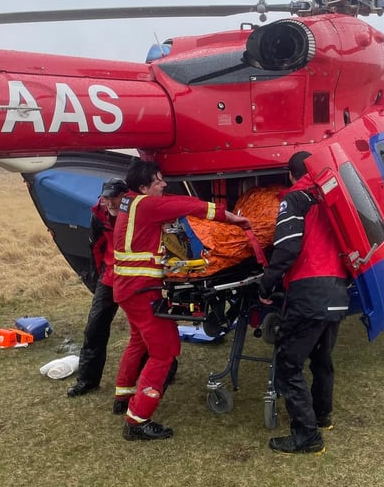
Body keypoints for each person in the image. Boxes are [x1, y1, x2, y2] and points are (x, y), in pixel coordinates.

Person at [113, 159, 250, 441]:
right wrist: (231, 217)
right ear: (143, 187)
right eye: (158, 181)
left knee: (138, 340)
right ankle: (137, 420)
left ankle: (123, 395)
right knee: (163, 352)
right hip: (140, 290)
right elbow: (189, 206)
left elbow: (173, 200)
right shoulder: (148, 206)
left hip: (126, 287)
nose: (163, 184)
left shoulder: (130, 202)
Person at [258, 151, 349, 455]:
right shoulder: (332, 199)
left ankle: (306, 436)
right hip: (338, 291)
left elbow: (287, 247)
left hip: (309, 291)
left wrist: (267, 282)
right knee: (322, 360)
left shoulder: (295, 198)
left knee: (288, 364)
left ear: (290, 174)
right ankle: (322, 416)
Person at [67, 178, 129, 398]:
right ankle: (87, 380)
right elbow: (96, 248)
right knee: (94, 328)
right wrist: (97, 280)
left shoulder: (138, 213)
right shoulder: (98, 215)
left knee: (147, 330)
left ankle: (164, 372)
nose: (110, 202)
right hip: (110, 278)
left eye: (115, 197)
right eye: (106, 198)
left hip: (135, 278)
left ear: (125, 196)